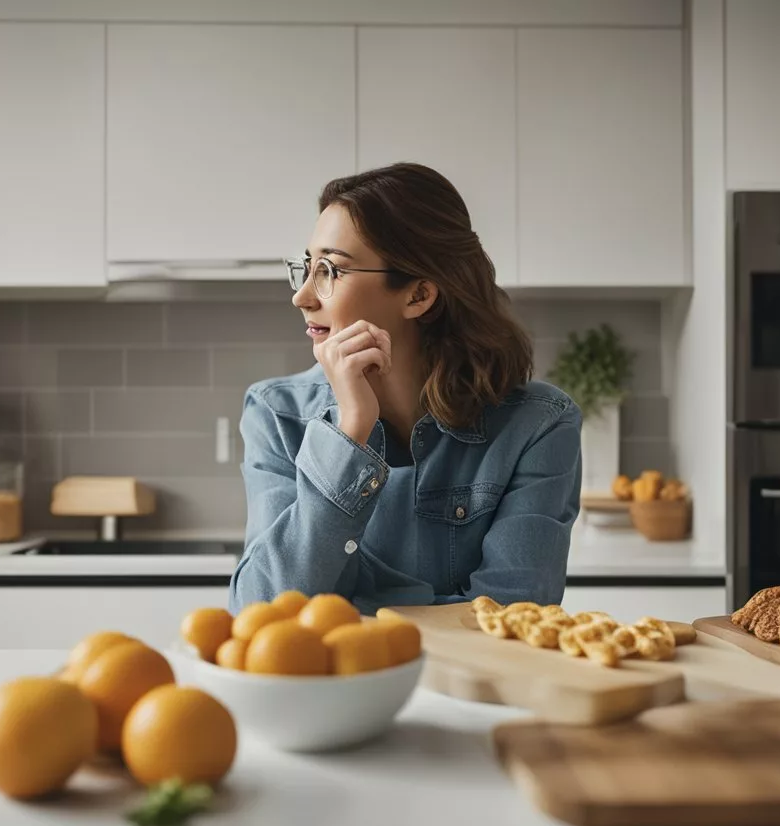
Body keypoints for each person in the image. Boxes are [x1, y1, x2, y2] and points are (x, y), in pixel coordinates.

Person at [228, 163, 582, 614]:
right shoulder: (276, 413)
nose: (302, 298)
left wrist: (360, 620)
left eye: (330, 271)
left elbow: (514, 619)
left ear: (418, 296)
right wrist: (349, 432)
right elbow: (261, 611)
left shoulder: (540, 424)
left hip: (466, 685)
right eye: (306, 268)